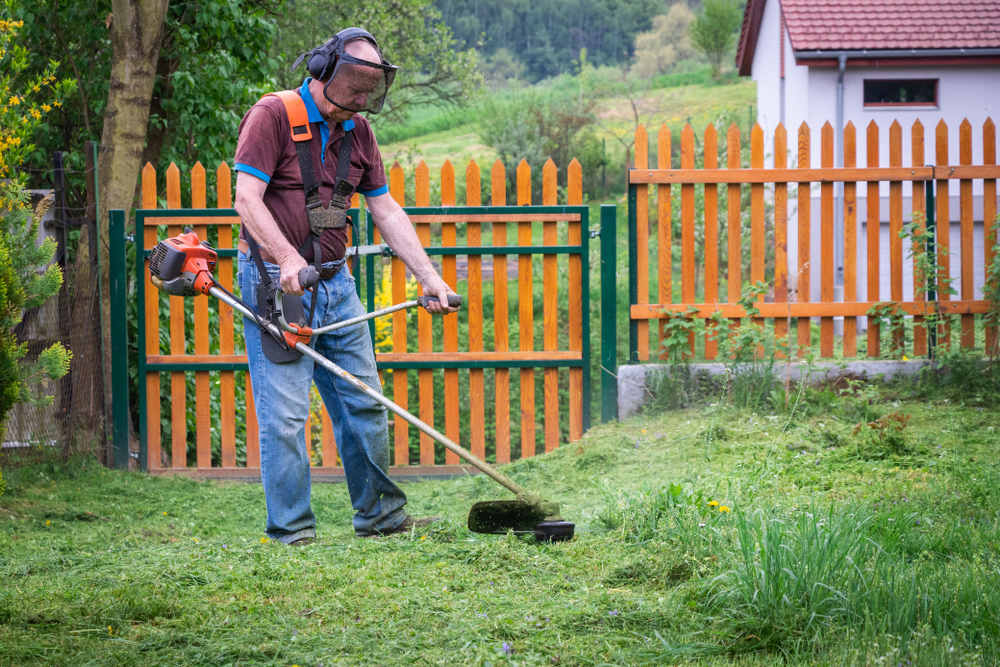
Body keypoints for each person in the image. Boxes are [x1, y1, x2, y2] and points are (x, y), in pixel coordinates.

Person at [233, 28, 457, 544]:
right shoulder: (272, 115)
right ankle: (292, 532)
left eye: (368, 90)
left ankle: (381, 519)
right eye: (353, 86)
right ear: (322, 71)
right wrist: (285, 257)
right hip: (277, 287)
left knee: (364, 402)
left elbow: (385, 208)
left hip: (338, 285)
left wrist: (429, 278)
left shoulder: (358, 132)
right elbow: (247, 199)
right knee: (286, 415)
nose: (360, 100)